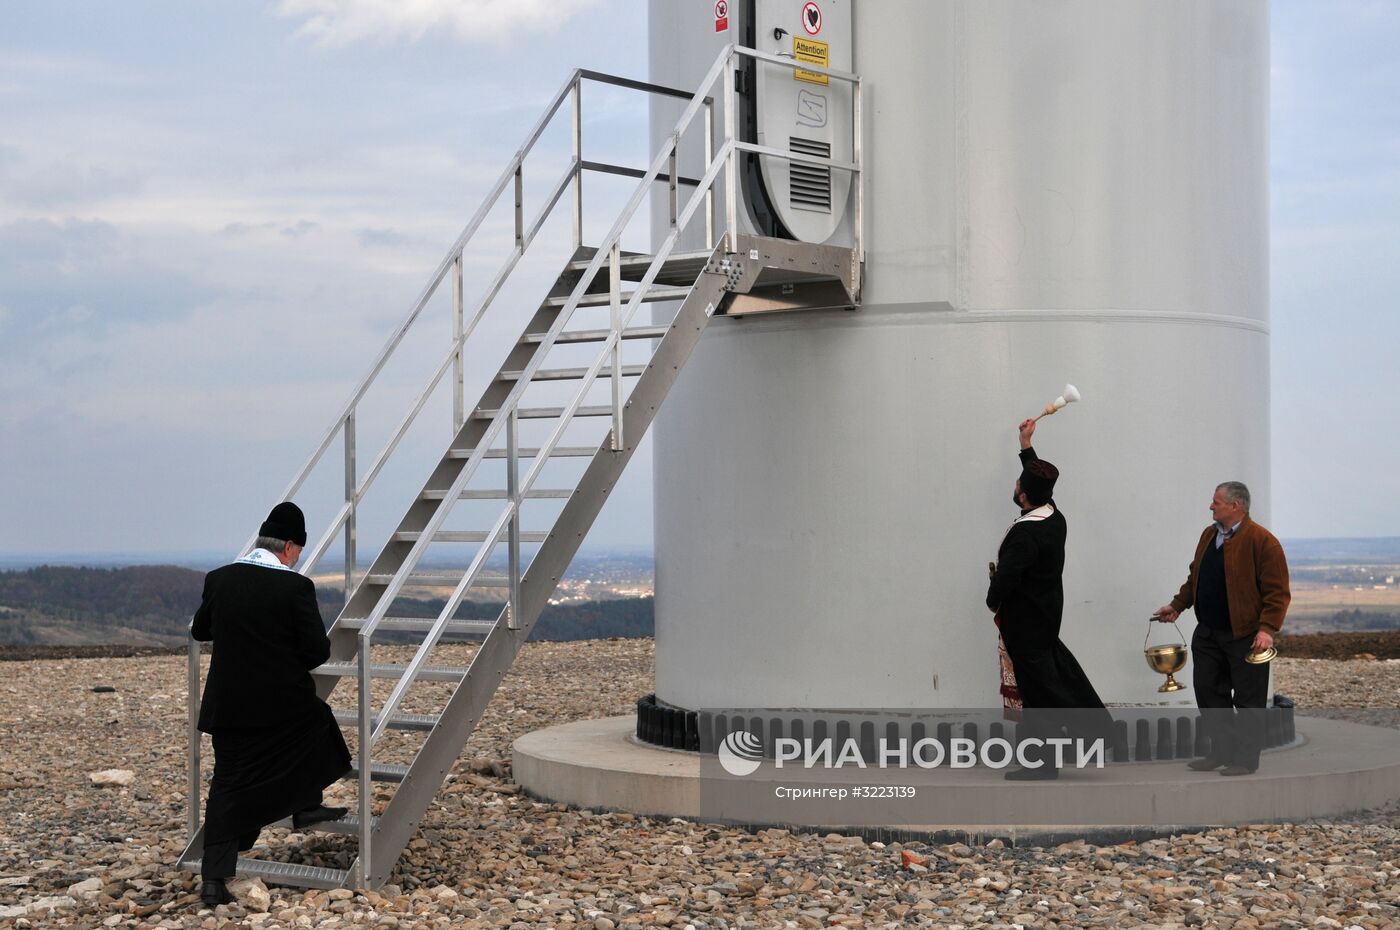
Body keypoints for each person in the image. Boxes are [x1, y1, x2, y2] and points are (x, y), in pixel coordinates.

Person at [191, 502, 351, 906]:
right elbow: (317, 652)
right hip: (281, 708)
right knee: (318, 722)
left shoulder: (220, 579)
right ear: (291, 547)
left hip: (228, 707)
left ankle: (213, 881)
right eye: (298, 550)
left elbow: (200, 629)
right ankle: (305, 805)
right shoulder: (295, 588)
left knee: (227, 786)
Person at [987, 419, 1111, 780]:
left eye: (1018, 484)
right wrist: (1026, 445)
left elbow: (1007, 579)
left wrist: (992, 601)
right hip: (1043, 619)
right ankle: (1043, 759)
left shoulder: (1027, 535)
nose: (1015, 484)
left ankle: (1041, 764)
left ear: (1023, 495)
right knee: (1042, 688)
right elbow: (1038, 481)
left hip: (1025, 624)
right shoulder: (1054, 518)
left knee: (1036, 695)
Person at [1152, 481, 1290, 776]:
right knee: (1208, 693)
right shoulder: (1208, 535)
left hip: (1247, 637)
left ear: (1235, 506)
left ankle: (1245, 759)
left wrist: (1267, 630)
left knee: (1248, 701)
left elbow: (1277, 593)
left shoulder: (1263, 542)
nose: (1210, 506)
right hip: (1208, 633)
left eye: (1216, 501)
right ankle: (1221, 752)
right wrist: (1176, 605)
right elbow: (1195, 577)